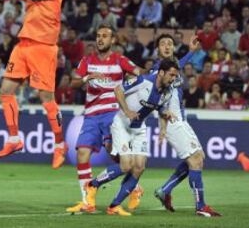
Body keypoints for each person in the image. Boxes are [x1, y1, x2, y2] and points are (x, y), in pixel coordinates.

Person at [0, 0, 67, 169]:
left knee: (47, 99)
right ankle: (14, 139)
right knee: (5, 91)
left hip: (44, 48)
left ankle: (59, 145)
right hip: (23, 45)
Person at [84, 59, 179, 216]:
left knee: (139, 167)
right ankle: (92, 185)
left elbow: (162, 109)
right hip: (121, 124)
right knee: (126, 165)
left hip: (139, 128)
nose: (173, 78)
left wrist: (163, 128)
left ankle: (114, 205)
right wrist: (127, 111)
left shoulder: (167, 92)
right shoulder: (143, 81)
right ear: (161, 73)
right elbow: (118, 90)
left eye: (176, 76)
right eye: (171, 75)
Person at [66, 23, 142, 213]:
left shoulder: (120, 60)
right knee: (82, 154)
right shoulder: (87, 61)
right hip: (91, 115)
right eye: (98, 35)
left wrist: (129, 88)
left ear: (113, 40)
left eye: (105, 36)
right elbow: (73, 82)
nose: (100, 39)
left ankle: (133, 187)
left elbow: (140, 74)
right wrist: (87, 78)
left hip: (112, 114)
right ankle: (87, 202)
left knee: (115, 154)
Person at [153, 34, 221, 217]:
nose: (167, 46)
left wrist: (191, 51)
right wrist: (163, 123)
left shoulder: (173, 68)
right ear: (158, 49)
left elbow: (179, 65)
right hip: (172, 121)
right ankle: (200, 206)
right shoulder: (157, 72)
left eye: (170, 43)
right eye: (162, 44)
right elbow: (153, 98)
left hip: (182, 120)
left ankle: (165, 190)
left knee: (199, 158)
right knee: (196, 160)